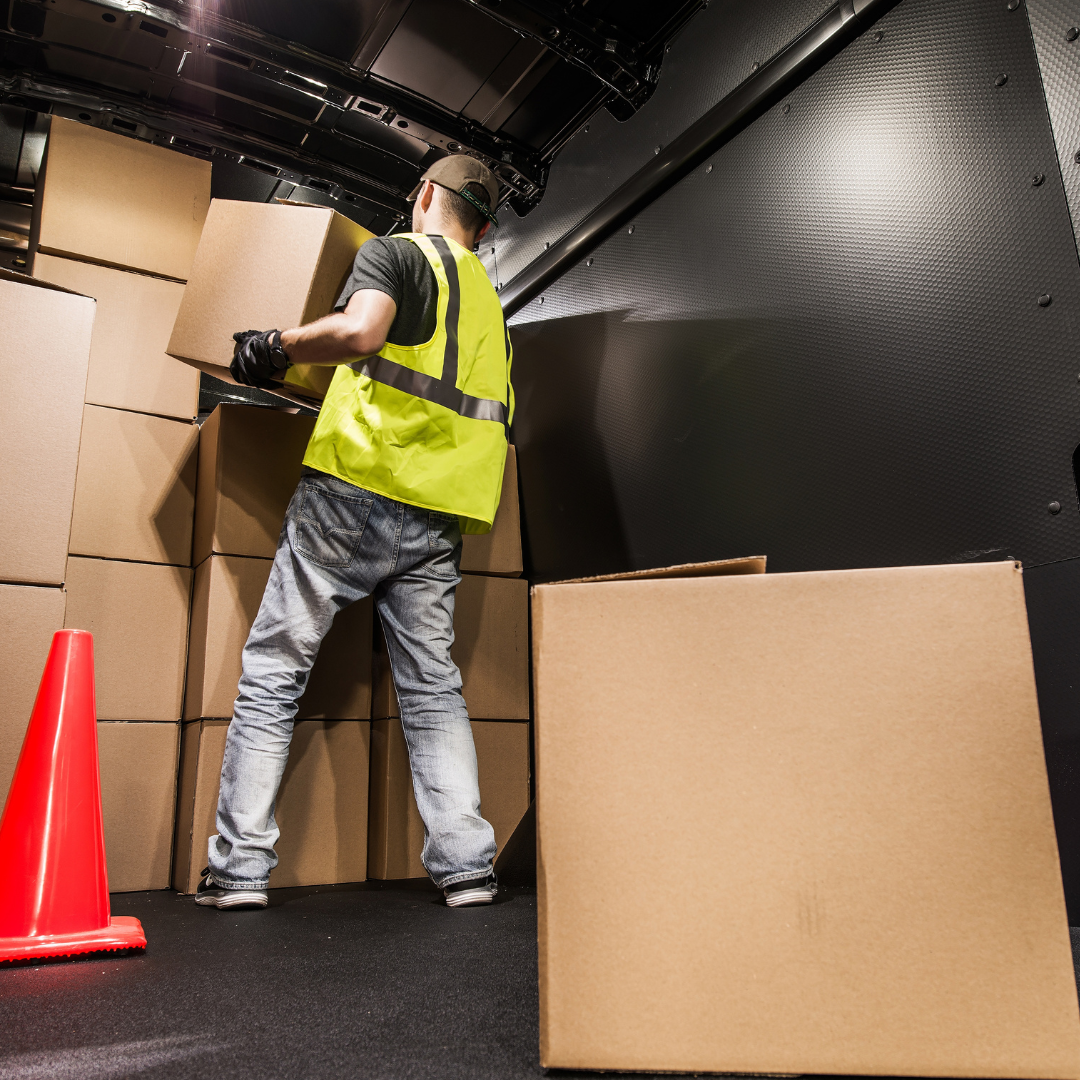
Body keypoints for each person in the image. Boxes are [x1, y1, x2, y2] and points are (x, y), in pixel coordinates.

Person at [195, 156, 513, 911]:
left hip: (354, 490)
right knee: (433, 689)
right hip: (439, 516)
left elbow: (364, 331)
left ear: (427, 195)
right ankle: (468, 866)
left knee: (276, 670)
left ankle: (239, 871)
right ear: (487, 226)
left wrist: (274, 346)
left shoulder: (400, 251)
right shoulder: (493, 310)